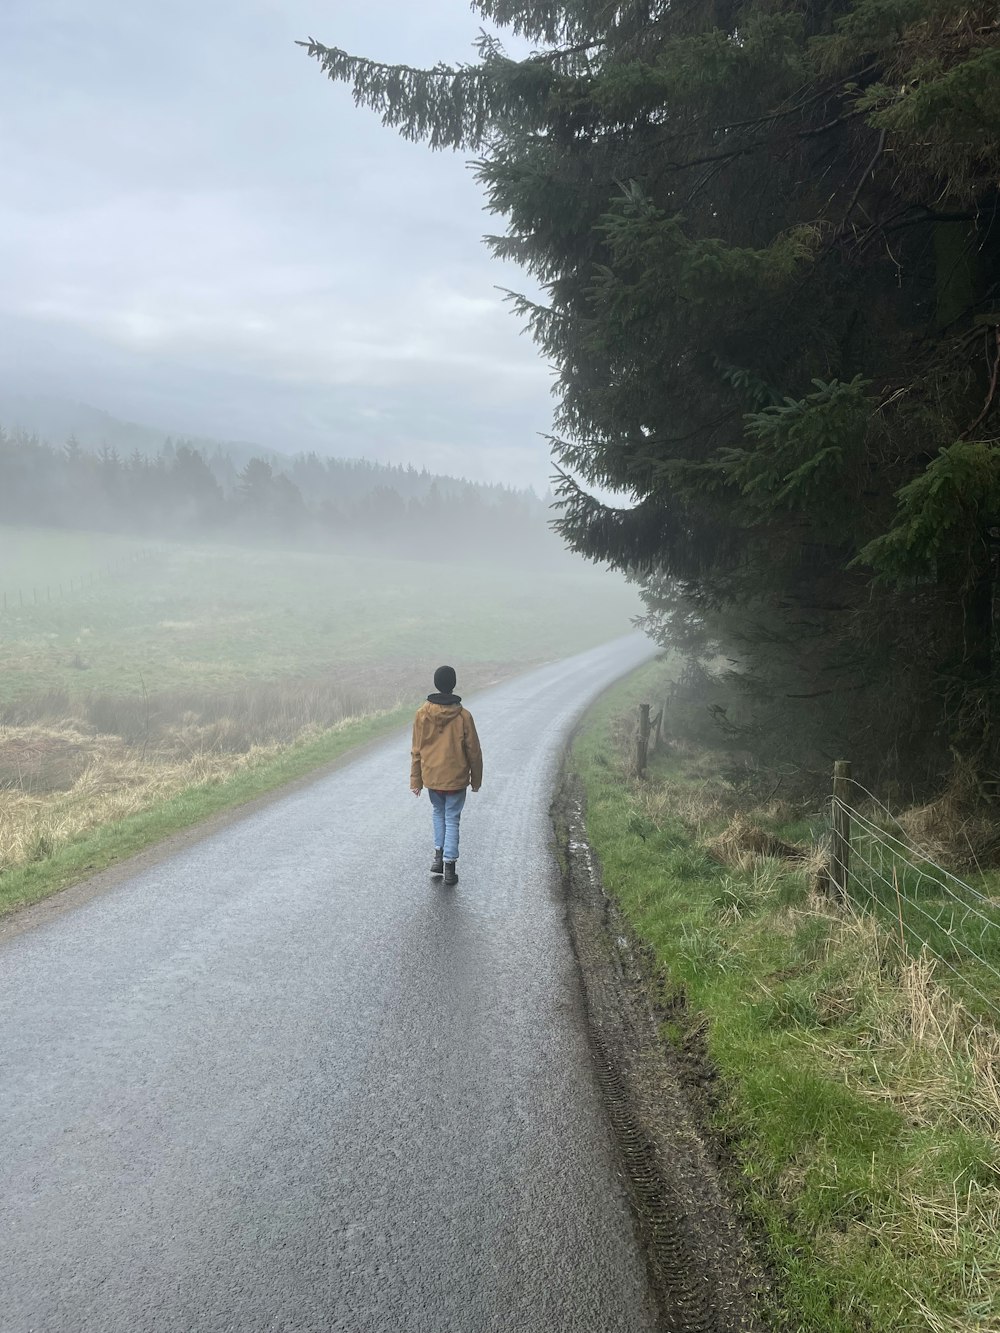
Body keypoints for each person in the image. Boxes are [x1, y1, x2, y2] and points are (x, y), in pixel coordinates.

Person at [410, 665, 483, 885]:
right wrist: (476, 780)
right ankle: (450, 866)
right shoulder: (464, 716)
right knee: (452, 818)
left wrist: (416, 780)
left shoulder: (422, 714)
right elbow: (474, 752)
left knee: (438, 813)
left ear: (436, 683)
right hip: (457, 778)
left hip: (432, 777)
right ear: (453, 684)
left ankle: (438, 856)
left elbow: (416, 749)